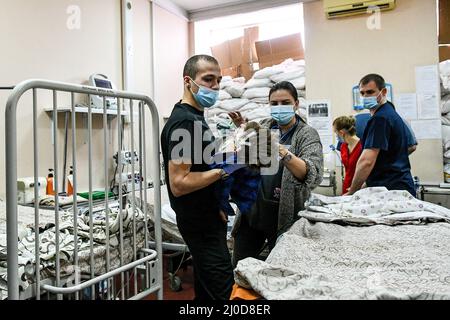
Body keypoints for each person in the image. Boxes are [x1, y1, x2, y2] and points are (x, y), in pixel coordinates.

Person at [160, 55, 242, 300]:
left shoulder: (196, 119)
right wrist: (226, 168)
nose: (215, 86)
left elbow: (201, 164)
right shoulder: (185, 122)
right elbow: (179, 184)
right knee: (222, 291)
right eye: (208, 79)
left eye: (218, 80)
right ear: (188, 81)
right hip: (199, 224)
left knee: (206, 288)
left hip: (208, 218)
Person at [228, 81, 323, 267]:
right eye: (274, 103)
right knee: (240, 266)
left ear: (296, 104)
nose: (279, 108)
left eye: (285, 103)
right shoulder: (264, 126)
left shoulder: (306, 134)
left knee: (282, 268)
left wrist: (281, 151)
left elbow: (311, 174)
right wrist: (242, 128)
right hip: (252, 210)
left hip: (283, 213)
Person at [345, 74, 415, 196]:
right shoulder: (390, 112)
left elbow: (366, 161)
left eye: (370, 92)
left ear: (383, 91)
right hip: (399, 185)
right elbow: (410, 146)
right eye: (362, 93)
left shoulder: (380, 119)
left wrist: (352, 191)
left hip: (391, 190)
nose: (366, 96)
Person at [333, 116, 362, 194]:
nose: (336, 136)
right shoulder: (343, 146)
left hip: (360, 188)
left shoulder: (362, 146)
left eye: (336, 132)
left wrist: (355, 188)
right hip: (346, 185)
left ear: (341, 132)